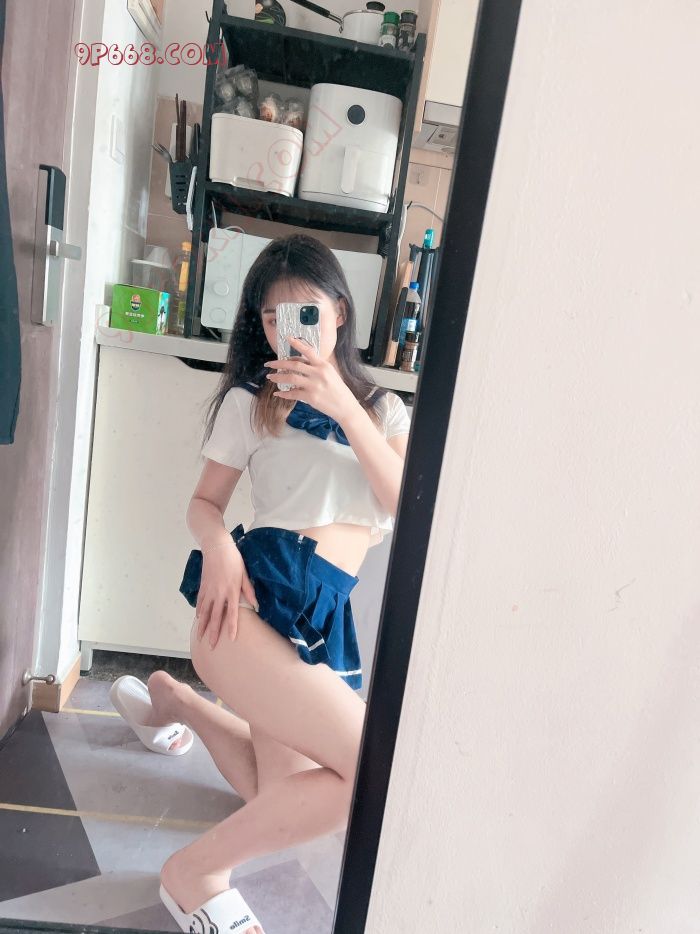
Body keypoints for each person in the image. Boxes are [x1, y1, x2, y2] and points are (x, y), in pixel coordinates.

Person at [112, 234, 411, 934]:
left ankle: (181, 702)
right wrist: (218, 545)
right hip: (249, 605)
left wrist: (343, 406)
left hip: (319, 619)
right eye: (271, 317)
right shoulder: (252, 402)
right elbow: (203, 504)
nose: (286, 330)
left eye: (304, 312)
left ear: (339, 312)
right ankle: (194, 874)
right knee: (371, 768)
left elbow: (405, 504)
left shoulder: (385, 412)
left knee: (276, 796)